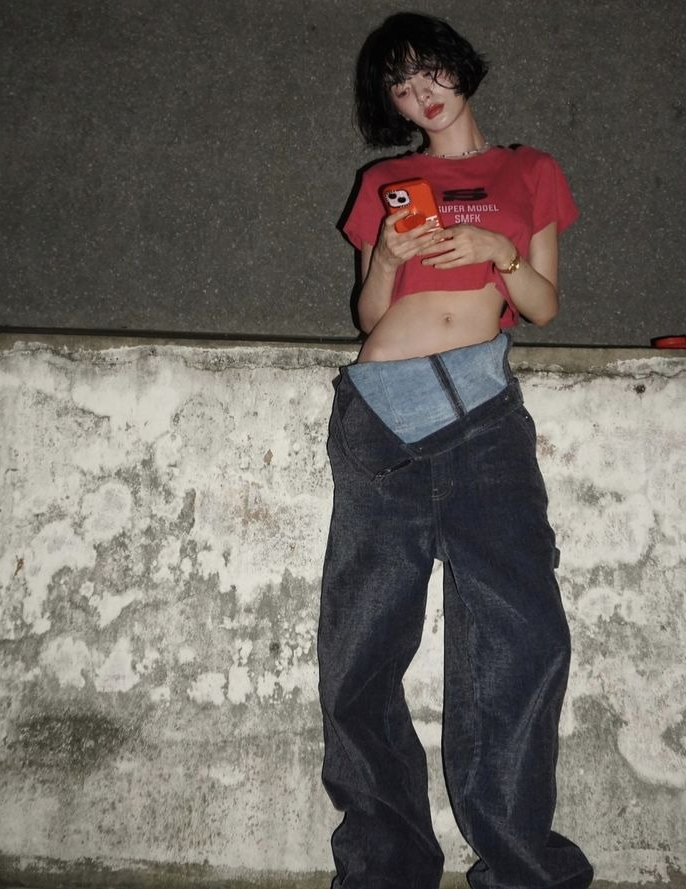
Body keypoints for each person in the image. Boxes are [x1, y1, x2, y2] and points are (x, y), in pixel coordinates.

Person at [317, 12, 594, 889]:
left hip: (480, 413)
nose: (420, 93)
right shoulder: (385, 181)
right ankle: (385, 867)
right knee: (363, 647)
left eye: (429, 70)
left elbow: (543, 305)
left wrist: (497, 251)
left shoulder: (530, 169)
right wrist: (389, 257)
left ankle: (520, 866)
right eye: (400, 85)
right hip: (380, 413)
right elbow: (368, 314)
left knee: (523, 636)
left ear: (461, 67)